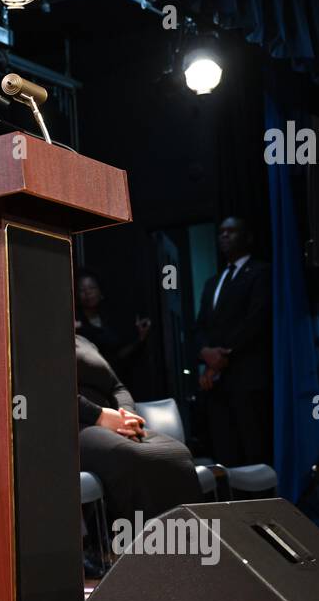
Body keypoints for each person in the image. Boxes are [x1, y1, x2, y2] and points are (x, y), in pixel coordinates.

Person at [76, 334, 202, 526]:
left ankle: (190, 548)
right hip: (75, 424)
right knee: (134, 456)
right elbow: (49, 389)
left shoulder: (84, 341)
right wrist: (99, 415)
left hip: (116, 422)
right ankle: (149, 548)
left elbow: (117, 387)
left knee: (178, 453)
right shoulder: (41, 338)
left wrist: (126, 415)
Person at [193, 216, 273, 466]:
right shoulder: (212, 282)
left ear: (247, 237)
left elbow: (255, 320)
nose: (224, 236)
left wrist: (221, 357)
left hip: (247, 378)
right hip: (216, 385)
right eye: (221, 232)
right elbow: (201, 326)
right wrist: (205, 353)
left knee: (254, 451)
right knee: (225, 454)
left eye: (231, 232)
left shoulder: (261, 272)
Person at [75, 272, 151, 377]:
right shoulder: (75, 322)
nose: (87, 293)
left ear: (100, 292)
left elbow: (117, 355)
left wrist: (140, 339)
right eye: (82, 290)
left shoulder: (111, 317)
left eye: (92, 288)